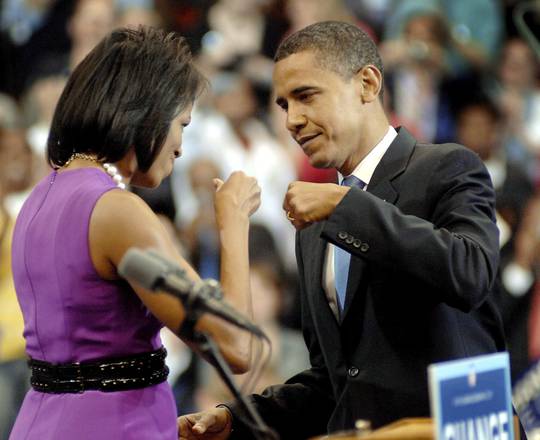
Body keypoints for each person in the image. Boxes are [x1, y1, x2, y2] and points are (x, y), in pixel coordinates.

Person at [178, 20, 505, 439]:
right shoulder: (314, 225)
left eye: (306, 96)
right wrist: (236, 419)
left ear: (367, 84)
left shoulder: (446, 167)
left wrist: (346, 206)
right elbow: (334, 383)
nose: (293, 120)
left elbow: (470, 272)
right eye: (284, 106)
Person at [9, 26, 260, 440]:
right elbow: (235, 346)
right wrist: (233, 223)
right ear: (149, 111)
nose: (181, 146)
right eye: (182, 123)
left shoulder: (42, 195)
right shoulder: (116, 210)